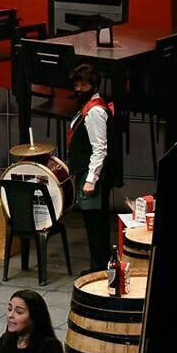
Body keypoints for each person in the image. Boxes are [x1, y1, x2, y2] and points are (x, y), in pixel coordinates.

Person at [68, 64, 119, 274]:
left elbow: (99, 150)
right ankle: (99, 267)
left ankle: (99, 269)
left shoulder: (95, 111)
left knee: (95, 223)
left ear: (94, 86)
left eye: (84, 85)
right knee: (93, 222)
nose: (79, 88)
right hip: (89, 173)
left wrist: (91, 179)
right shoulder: (88, 106)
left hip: (94, 176)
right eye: (77, 84)